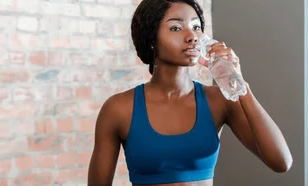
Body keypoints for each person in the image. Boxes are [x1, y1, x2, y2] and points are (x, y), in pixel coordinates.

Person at [87, 0, 293, 185]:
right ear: (151, 38)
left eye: (196, 27)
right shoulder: (119, 109)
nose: (192, 37)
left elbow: (281, 162)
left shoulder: (219, 101)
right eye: (176, 28)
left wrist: (237, 82)